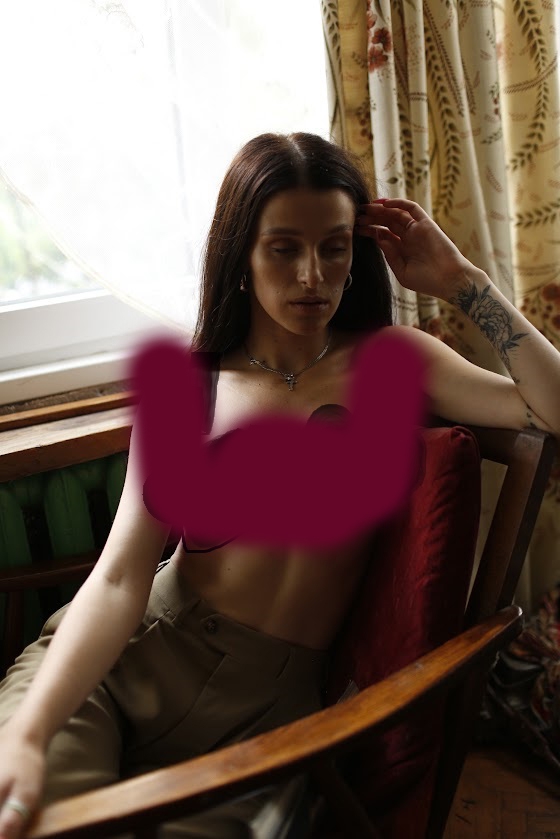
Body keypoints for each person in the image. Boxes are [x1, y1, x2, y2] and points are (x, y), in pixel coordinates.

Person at [0, 132, 559, 839]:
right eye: (283, 248)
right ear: (241, 257)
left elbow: (552, 409)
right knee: (30, 818)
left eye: (334, 248)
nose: (312, 275)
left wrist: (461, 280)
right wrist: (31, 730)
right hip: (124, 665)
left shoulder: (393, 361)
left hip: (266, 713)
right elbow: (117, 579)